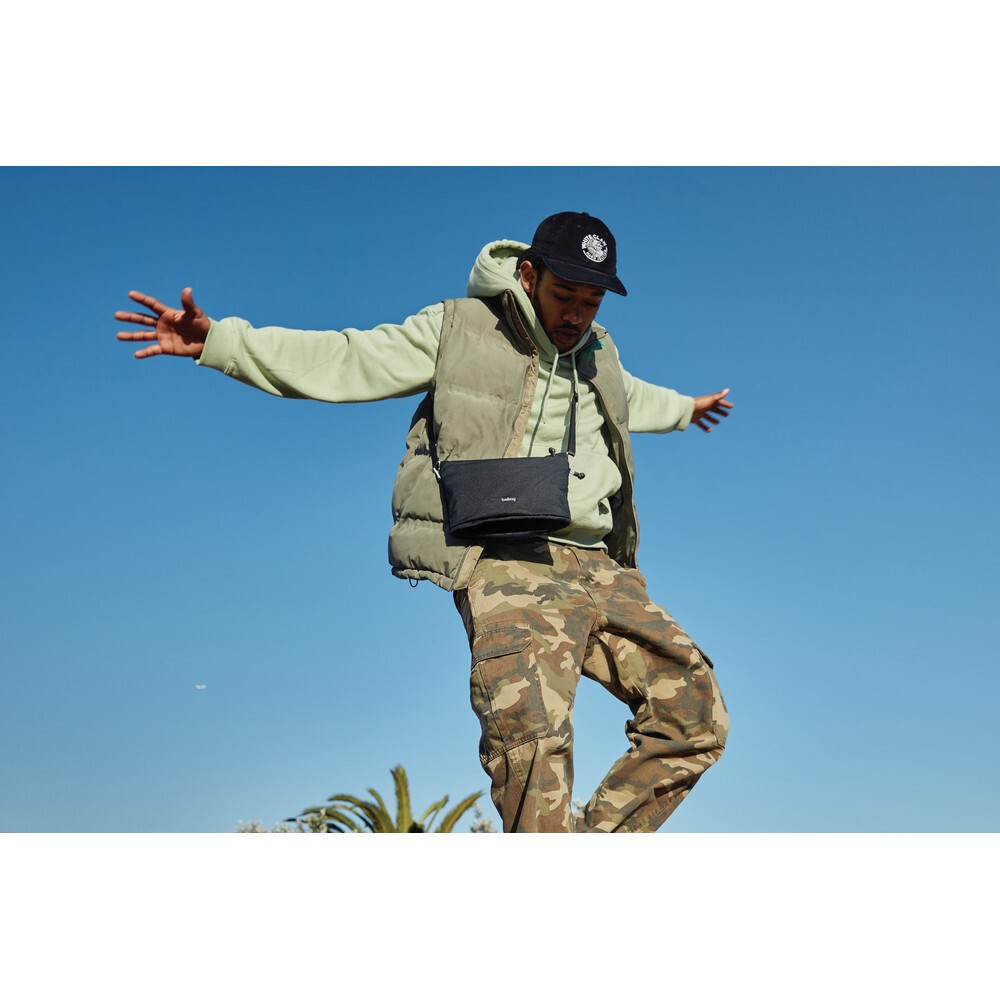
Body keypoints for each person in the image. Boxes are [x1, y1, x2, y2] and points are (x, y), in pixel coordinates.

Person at [116, 211, 733, 833]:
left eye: (591, 302)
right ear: (528, 276)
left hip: (600, 568)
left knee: (696, 714)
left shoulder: (600, 354)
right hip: (508, 564)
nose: (576, 315)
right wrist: (221, 342)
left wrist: (688, 408)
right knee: (532, 744)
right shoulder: (458, 329)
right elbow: (349, 357)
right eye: (564, 296)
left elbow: (635, 398)